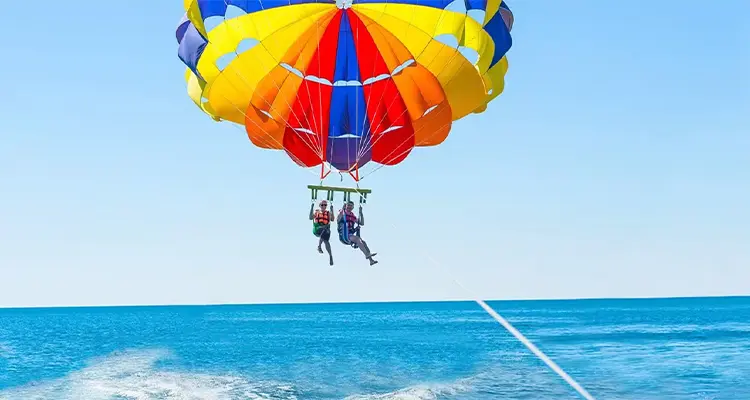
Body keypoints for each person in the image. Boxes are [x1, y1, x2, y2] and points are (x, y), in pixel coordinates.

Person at [337, 201, 378, 266]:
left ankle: (371, 260)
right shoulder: (342, 213)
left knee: (363, 242)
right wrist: (343, 208)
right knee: (357, 239)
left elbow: (362, 223)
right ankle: (367, 255)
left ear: (353, 207)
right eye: (348, 205)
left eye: (351, 206)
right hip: (344, 236)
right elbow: (338, 219)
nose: (349, 207)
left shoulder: (352, 216)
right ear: (346, 206)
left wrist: (361, 213)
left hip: (350, 235)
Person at [309, 200, 334, 266]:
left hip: (325, 230)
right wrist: (312, 207)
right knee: (324, 229)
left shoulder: (328, 213)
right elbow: (310, 218)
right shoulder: (317, 212)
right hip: (317, 229)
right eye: (322, 205)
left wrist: (332, 210)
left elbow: (332, 219)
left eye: (325, 205)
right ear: (320, 205)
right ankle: (319, 246)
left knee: (326, 241)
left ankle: (330, 256)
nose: (324, 206)